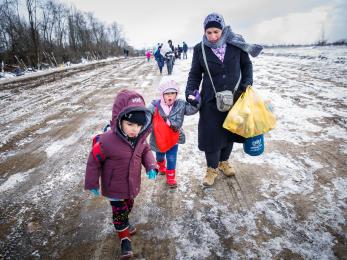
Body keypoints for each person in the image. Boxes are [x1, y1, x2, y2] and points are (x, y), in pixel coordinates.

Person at [185, 12, 263, 186]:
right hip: (210, 101)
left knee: (229, 133)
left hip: (235, 98)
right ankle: (211, 169)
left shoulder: (235, 43)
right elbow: (195, 74)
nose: (212, 36)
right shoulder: (200, 49)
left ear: (222, 30)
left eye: (216, 32)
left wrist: (247, 83)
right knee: (212, 136)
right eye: (209, 32)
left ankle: (223, 162)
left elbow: (246, 65)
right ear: (204, 32)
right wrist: (190, 90)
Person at [85, 89, 158, 259]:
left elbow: (146, 151)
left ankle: (125, 222)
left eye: (139, 125)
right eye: (130, 124)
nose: (135, 129)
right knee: (119, 212)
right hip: (114, 187)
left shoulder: (140, 139)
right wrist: (92, 183)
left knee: (128, 206)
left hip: (131, 184)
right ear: (119, 120)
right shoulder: (106, 141)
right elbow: (94, 160)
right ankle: (124, 239)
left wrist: (151, 166)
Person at [148, 77, 200, 188]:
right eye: (167, 94)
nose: (170, 96)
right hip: (159, 138)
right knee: (160, 155)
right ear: (162, 94)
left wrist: (196, 102)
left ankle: (171, 177)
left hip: (173, 137)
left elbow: (192, 109)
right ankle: (161, 166)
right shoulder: (155, 106)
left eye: (172, 93)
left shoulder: (180, 105)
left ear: (176, 94)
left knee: (172, 158)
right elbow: (145, 116)